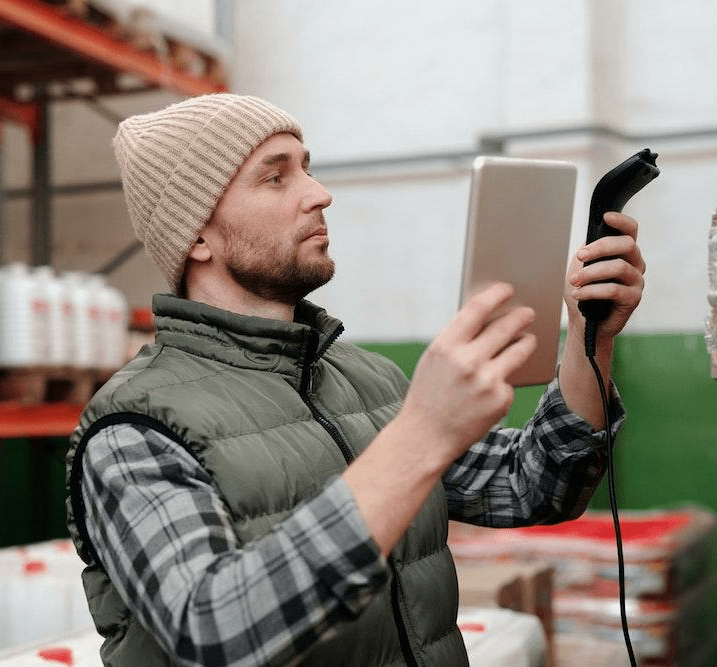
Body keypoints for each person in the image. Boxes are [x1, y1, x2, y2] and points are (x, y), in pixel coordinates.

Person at [65, 93, 645, 667]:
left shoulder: (369, 383)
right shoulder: (133, 429)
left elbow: (535, 485)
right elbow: (219, 634)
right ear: (196, 238)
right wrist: (420, 433)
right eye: (275, 178)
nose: (319, 195)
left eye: (307, 170)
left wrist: (590, 337)